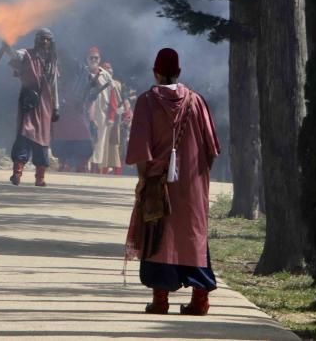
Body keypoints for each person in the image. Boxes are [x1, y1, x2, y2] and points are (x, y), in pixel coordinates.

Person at [124, 48, 221, 316]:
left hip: (158, 181)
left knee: (159, 236)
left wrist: (144, 180)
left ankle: (161, 301)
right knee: (192, 237)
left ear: (155, 72)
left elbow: (141, 148)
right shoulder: (196, 101)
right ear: (179, 72)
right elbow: (211, 148)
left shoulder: (146, 102)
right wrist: (198, 178)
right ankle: (200, 301)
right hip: (192, 185)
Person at [0, 29, 59, 187]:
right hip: (29, 101)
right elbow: (16, 56)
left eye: (47, 39)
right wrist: (7, 47)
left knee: (42, 140)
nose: (44, 42)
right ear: (37, 40)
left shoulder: (52, 62)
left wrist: (56, 107)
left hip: (45, 104)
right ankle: (17, 173)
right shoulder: (26, 54)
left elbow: (54, 86)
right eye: (42, 39)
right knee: (25, 134)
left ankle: (40, 177)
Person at [84, 48, 119, 174]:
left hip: (101, 113)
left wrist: (111, 116)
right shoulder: (82, 73)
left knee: (99, 141)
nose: (93, 60)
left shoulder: (106, 76)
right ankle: (84, 166)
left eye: (96, 58)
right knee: (85, 139)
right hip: (85, 112)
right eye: (91, 57)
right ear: (87, 59)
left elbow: (113, 97)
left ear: (99, 59)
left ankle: (95, 168)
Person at [51, 81, 94, 173]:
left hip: (70, 128)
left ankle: (70, 165)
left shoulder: (74, 91)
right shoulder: (63, 95)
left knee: (79, 149)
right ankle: (67, 165)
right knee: (77, 149)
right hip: (69, 128)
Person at [102, 62, 126, 176]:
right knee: (102, 146)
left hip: (115, 119)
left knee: (114, 148)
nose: (109, 72)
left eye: (110, 70)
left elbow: (122, 101)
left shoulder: (117, 84)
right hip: (101, 118)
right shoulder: (100, 82)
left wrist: (124, 113)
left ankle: (117, 174)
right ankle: (101, 171)